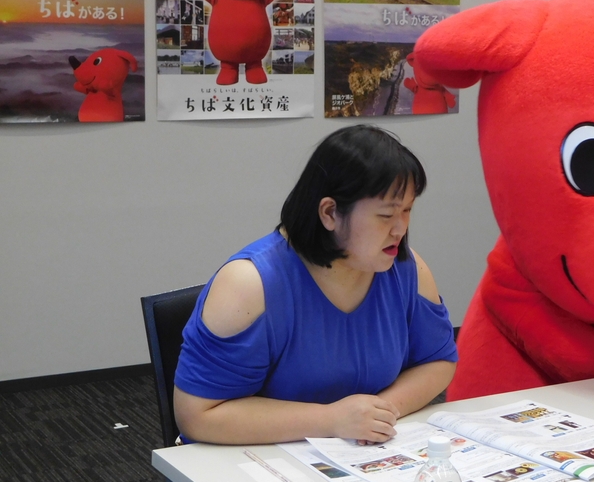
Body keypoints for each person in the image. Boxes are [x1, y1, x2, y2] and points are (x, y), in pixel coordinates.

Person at [174, 125, 458, 445]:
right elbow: (198, 415)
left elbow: (438, 360)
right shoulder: (249, 284)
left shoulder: (407, 268)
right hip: (255, 463)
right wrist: (331, 420)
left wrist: (378, 413)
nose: (400, 229)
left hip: (356, 455)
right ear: (330, 213)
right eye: (385, 215)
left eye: (407, 211)